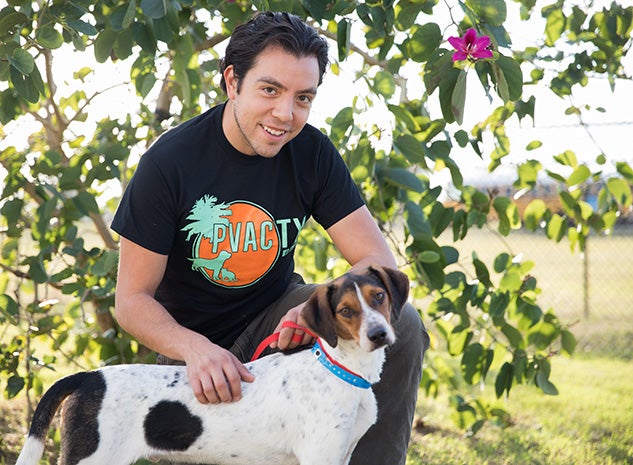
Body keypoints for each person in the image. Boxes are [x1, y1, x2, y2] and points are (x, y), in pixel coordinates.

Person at [111, 11, 429, 465]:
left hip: (279, 326)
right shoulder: (170, 163)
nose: (286, 113)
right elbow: (132, 301)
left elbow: (376, 262)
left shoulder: (312, 153)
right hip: (194, 348)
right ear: (231, 82)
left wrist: (309, 310)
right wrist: (195, 349)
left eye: (303, 97)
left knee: (405, 322)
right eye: (270, 90)